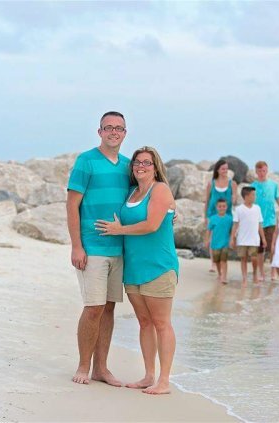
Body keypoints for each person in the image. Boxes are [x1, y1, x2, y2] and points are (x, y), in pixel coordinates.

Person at [95, 146, 178, 395]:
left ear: (156, 167)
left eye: (147, 163)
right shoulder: (131, 193)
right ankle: (148, 375)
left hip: (159, 267)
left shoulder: (160, 189)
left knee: (161, 323)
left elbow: (152, 225)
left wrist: (119, 230)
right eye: (137, 162)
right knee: (144, 323)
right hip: (133, 268)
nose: (141, 166)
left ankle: (164, 381)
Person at [66, 111, 130, 386]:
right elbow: (72, 205)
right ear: (100, 131)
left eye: (119, 128)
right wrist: (76, 246)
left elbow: (143, 198)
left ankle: (101, 368)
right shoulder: (86, 161)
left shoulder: (128, 166)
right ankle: (83, 366)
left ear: (125, 133)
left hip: (119, 248)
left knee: (109, 308)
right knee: (93, 307)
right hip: (92, 247)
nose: (114, 132)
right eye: (108, 128)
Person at [204, 159, 238, 272]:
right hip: (213, 213)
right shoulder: (211, 183)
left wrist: (234, 199)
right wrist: (205, 217)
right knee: (214, 236)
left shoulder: (232, 183)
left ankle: (223, 262)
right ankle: (213, 263)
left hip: (227, 214)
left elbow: (235, 199)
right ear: (217, 170)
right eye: (223, 169)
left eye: (226, 169)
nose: (225, 171)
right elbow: (207, 201)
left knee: (225, 237)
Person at [251, 161, 279, 282]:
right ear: (256, 172)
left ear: (267, 171)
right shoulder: (252, 186)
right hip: (257, 222)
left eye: (264, 171)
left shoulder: (274, 185)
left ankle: (273, 271)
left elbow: (278, 199)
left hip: (270, 221)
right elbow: (250, 202)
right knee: (260, 250)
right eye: (259, 171)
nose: (262, 173)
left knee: (272, 248)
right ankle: (262, 272)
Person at [230, 186, 266, 286]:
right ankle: (244, 278)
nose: (255, 197)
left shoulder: (257, 208)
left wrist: (263, 238)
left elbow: (260, 224)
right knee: (243, 259)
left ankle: (255, 273)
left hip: (254, 239)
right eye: (253, 195)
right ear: (246, 196)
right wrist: (232, 238)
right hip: (242, 239)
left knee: (254, 258)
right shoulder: (238, 209)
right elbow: (235, 225)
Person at [205, 198, 234, 284]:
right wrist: (207, 240)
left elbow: (232, 230)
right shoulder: (213, 218)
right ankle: (220, 273)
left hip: (225, 243)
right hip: (215, 244)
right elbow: (208, 230)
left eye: (224, 206)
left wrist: (232, 240)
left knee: (224, 261)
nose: (222, 208)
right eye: (220, 206)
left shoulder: (230, 219)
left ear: (227, 207)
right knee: (217, 261)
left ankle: (224, 277)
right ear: (217, 207)